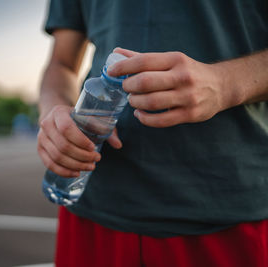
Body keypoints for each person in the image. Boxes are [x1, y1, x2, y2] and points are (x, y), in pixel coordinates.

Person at [37, 0, 268, 266]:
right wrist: (53, 111)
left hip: (226, 210)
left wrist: (225, 83)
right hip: (94, 202)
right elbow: (62, 63)